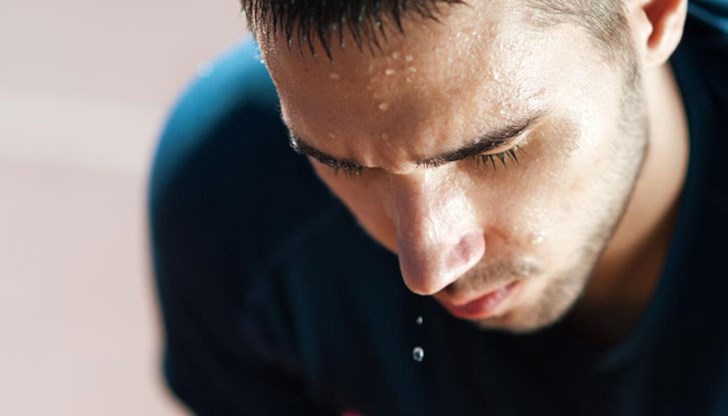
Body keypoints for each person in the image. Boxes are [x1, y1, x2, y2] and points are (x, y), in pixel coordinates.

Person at [149, 0, 728, 414]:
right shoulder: (235, 198)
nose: (427, 267)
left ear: (651, 13)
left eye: (495, 151)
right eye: (345, 166)